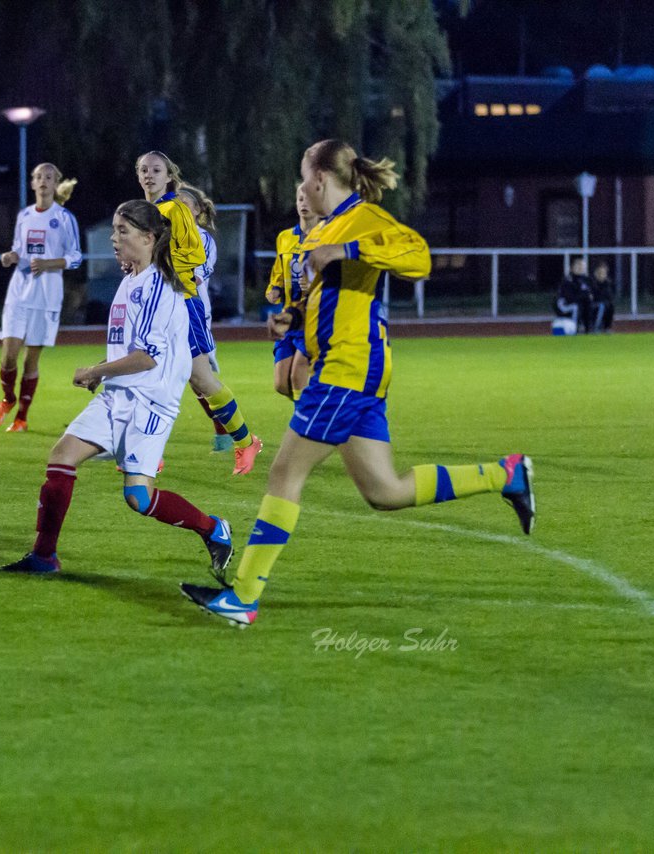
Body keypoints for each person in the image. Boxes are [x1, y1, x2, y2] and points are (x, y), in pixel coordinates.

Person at [181, 139, 535, 627]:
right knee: (384, 491)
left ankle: (243, 596)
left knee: (285, 473)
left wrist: (346, 249)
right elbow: (331, 301)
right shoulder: (324, 231)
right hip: (353, 370)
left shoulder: (362, 219)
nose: (301, 188)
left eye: (304, 177)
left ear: (320, 179)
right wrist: (292, 320)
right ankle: (506, 474)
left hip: (347, 370)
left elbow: (420, 258)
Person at [0, 199, 233, 576]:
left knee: (138, 497)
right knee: (61, 458)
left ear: (150, 237)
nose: (114, 239)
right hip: (118, 397)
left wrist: (96, 371)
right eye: (114, 231)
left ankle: (214, 529)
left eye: (123, 231)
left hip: (150, 404)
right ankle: (43, 556)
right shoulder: (130, 280)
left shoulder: (158, 287)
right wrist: (105, 376)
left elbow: (148, 356)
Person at [135, 152, 262, 475]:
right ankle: (148, 452)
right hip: (155, 305)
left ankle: (245, 441)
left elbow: (190, 256)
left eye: (156, 170)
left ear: (169, 177)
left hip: (181, 303)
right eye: (144, 170)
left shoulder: (175, 209)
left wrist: (157, 264)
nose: (149, 175)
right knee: (149, 376)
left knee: (201, 379)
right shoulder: (145, 213)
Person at [0, 163, 82, 433]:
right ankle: (8, 399)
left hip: (46, 297)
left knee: (30, 360)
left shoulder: (64, 218)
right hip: (19, 292)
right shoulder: (25, 215)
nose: (43, 181)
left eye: (49, 177)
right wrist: (11, 256)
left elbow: (76, 258)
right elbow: (19, 248)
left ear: (56, 184)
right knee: (8, 356)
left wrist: (49, 263)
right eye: (38, 177)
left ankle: (22, 417)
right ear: (32, 183)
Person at [176, 183, 232, 453]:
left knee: (199, 376)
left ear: (197, 210)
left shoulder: (203, 238)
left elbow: (199, 273)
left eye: (185, 204)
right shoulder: (165, 235)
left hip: (193, 311)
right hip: (167, 310)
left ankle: (228, 428)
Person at [266, 184, 318, 400]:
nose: (303, 203)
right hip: (288, 317)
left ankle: (306, 429)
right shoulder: (285, 238)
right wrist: (274, 289)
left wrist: (315, 286)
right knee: (281, 385)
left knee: (298, 377)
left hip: (313, 318)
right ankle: (314, 407)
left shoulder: (327, 237)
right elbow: (279, 271)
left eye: (308, 199)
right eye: (300, 199)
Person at [555, 257, 595, 334]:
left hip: (580, 302)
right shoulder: (568, 280)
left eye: (582, 266)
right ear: (572, 268)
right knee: (576, 307)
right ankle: (575, 328)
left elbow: (592, 293)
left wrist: (589, 296)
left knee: (591, 305)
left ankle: (590, 328)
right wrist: (585, 295)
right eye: (578, 266)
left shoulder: (586, 280)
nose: (580, 268)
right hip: (565, 305)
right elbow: (570, 297)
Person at [590, 259, 615, 333]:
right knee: (601, 305)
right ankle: (595, 328)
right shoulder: (591, 282)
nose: (602, 275)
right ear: (595, 273)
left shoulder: (608, 283)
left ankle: (607, 328)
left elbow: (609, 297)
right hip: (591, 305)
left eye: (604, 273)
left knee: (610, 306)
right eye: (599, 273)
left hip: (602, 304)